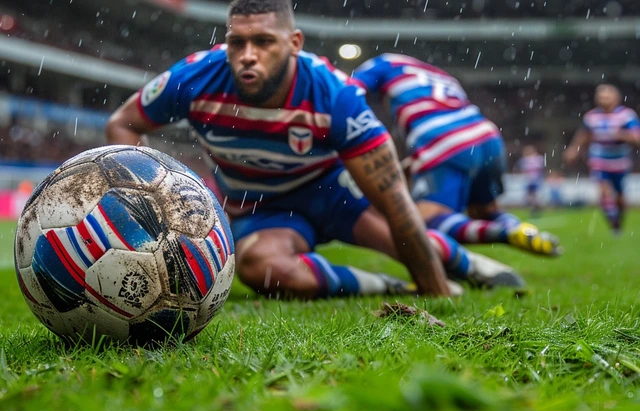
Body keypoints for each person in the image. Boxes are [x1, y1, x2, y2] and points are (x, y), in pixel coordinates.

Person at [106, 0, 522, 299]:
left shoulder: (335, 97)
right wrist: (147, 208)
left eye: (264, 42)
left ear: (294, 43)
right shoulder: (195, 78)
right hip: (257, 206)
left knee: (405, 239)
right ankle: (386, 285)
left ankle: (469, 266)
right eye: (237, 43)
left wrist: (437, 292)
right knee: (261, 270)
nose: (247, 56)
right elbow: (122, 123)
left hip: (332, 194)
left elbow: (394, 200)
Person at [352, 54, 562, 256]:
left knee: (424, 222)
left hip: (442, 138)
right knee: (485, 213)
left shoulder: (384, 63)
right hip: (487, 135)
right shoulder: (443, 77)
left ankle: (505, 234)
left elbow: (348, 93)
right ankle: (523, 231)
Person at [563, 83, 640, 235]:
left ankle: (618, 220)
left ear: (616, 98)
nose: (603, 98)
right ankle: (612, 221)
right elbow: (583, 135)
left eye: (607, 95)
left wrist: (622, 135)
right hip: (599, 158)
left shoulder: (626, 115)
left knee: (619, 195)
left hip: (620, 159)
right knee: (604, 191)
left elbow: (636, 137)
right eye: (600, 95)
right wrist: (573, 149)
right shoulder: (591, 117)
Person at [516, 145, 545, 216]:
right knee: (532, 196)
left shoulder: (526, 160)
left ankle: (535, 207)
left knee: (531, 196)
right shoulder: (539, 159)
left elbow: (523, 169)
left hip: (531, 180)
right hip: (534, 180)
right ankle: (536, 207)